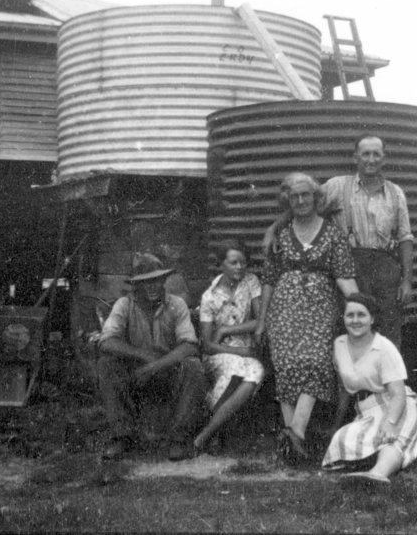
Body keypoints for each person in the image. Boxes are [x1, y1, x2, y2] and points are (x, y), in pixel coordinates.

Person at [264, 135, 413, 349]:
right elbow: (304, 203)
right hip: (351, 267)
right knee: (352, 326)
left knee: (388, 331)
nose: (370, 160)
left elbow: (405, 237)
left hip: (386, 269)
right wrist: (273, 228)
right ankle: (355, 381)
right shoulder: (338, 186)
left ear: (384, 158)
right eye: (365, 154)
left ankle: (389, 381)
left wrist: (407, 280)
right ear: (355, 158)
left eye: (376, 154)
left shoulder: (395, 193)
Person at [255, 172, 358, 464]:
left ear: (316, 198)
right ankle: (294, 443)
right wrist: (262, 320)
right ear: (288, 200)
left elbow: (345, 276)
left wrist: (360, 305)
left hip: (319, 307)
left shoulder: (332, 232)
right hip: (283, 308)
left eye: (306, 195)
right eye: (295, 196)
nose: (301, 201)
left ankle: (294, 434)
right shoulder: (281, 235)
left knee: (315, 362)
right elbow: (269, 279)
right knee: (286, 366)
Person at [90, 252, 207, 461]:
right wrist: (142, 356)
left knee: (194, 366)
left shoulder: (176, 304)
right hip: (135, 372)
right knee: (106, 364)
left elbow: (189, 346)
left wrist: (154, 366)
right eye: (146, 282)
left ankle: (179, 438)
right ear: (137, 285)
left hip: (167, 370)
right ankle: (122, 436)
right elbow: (106, 341)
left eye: (157, 280)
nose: (152, 286)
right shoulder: (124, 305)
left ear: (164, 281)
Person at [323, 293, 417, 484]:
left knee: (391, 438)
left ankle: (377, 475)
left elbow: (398, 394)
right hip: (366, 410)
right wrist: (336, 424)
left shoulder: (384, 347)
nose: (355, 320)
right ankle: (416, 453)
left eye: (361, 315)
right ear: (343, 318)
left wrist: (390, 422)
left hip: (396, 403)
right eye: (350, 315)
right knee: (341, 440)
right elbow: (344, 389)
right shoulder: (339, 345)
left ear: (372, 319)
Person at [193, 240, 265, 453]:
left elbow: (260, 321)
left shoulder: (251, 282)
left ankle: (206, 434)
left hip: (246, 354)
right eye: (233, 263)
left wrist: (225, 330)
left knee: (254, 370)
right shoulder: (209, 297)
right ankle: (216, 432)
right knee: (239, 369)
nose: (239, 268)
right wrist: (240, 351)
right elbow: (207, 345)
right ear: (221, 264)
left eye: (243, 263)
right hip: (219, 355)